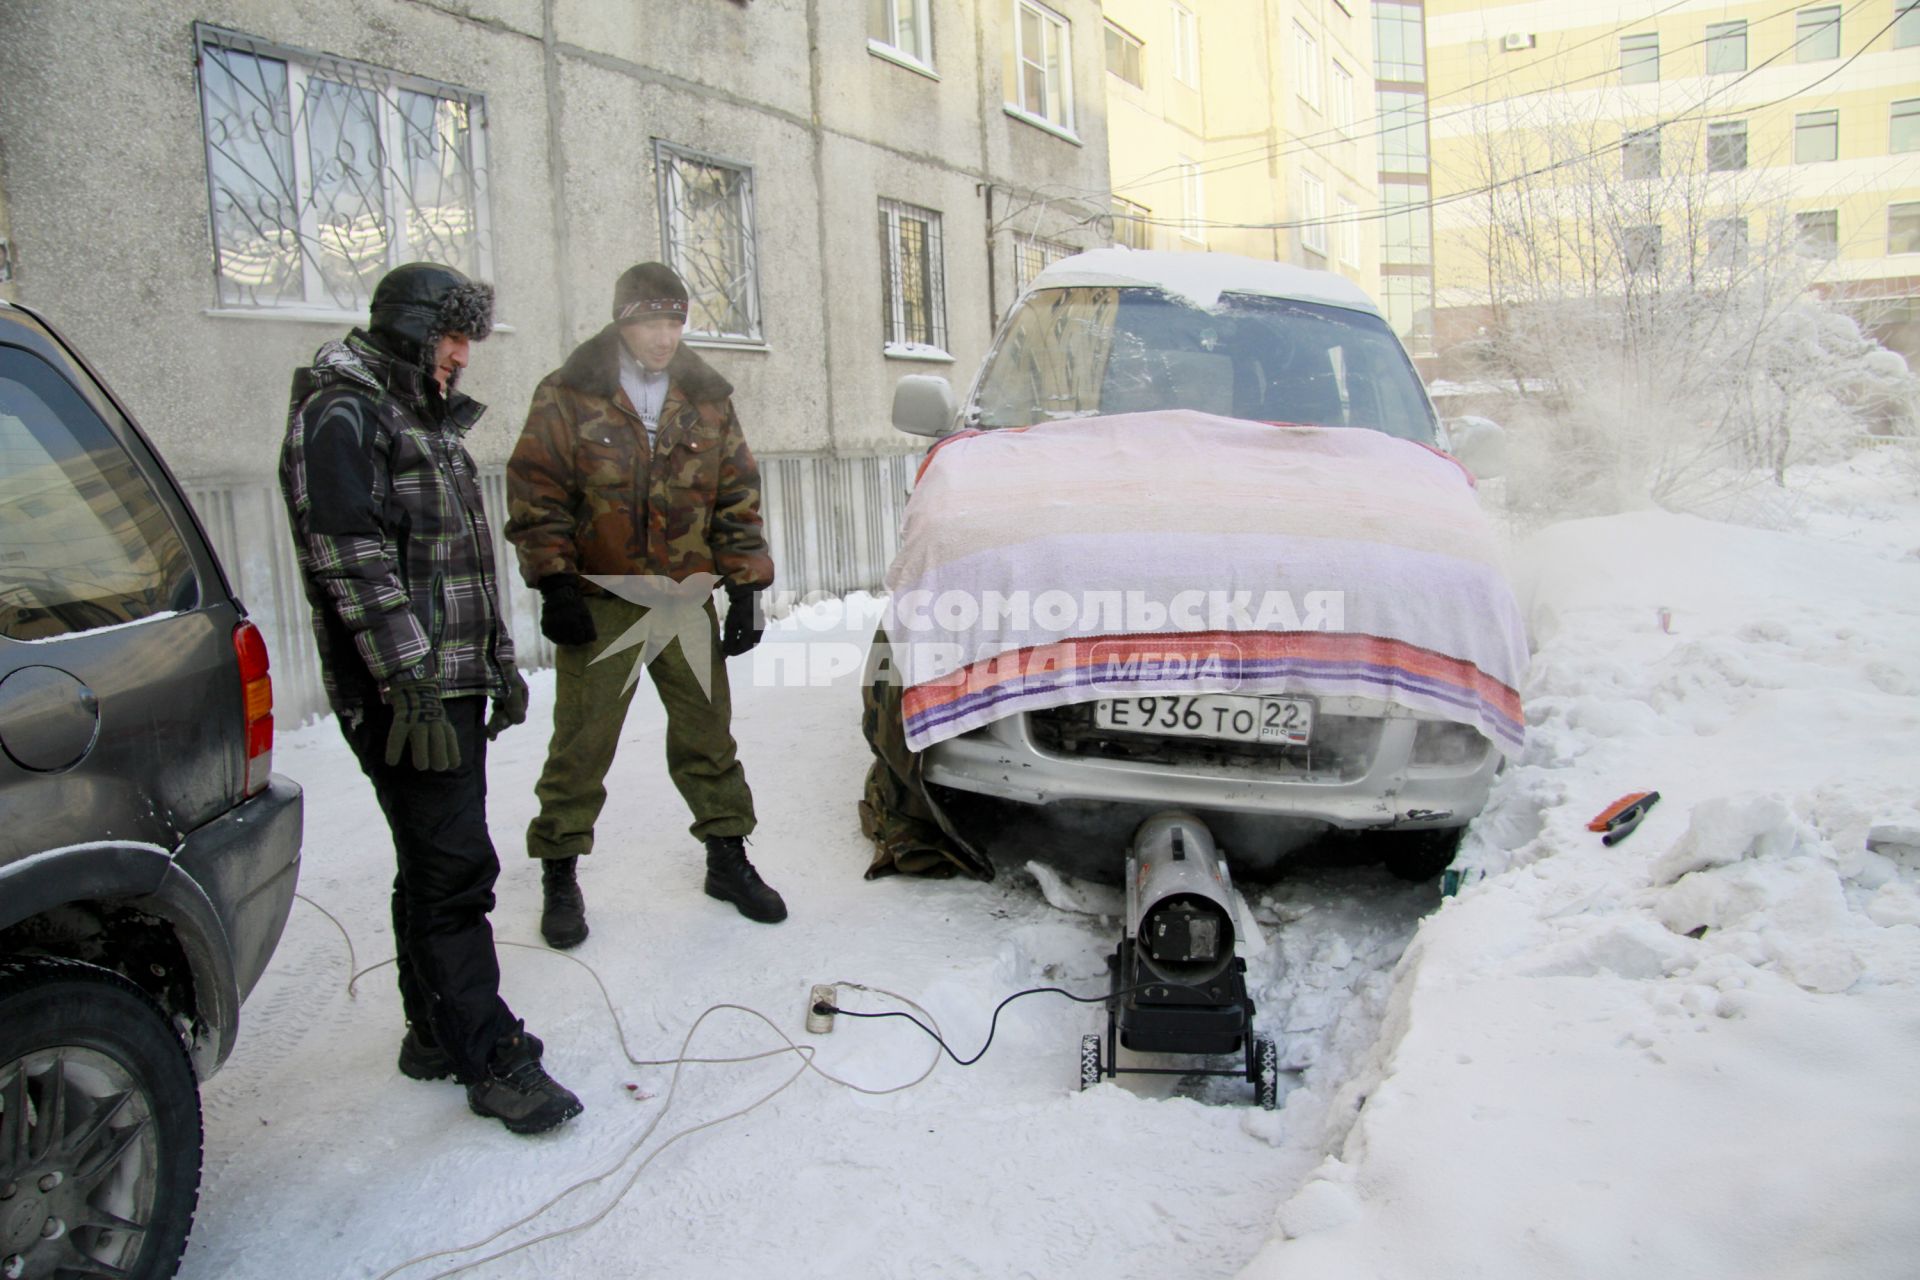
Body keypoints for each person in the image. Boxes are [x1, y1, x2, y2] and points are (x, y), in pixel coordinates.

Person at [279, 261, 583, 1134]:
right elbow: (350, 556)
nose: (463, 356)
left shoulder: (419, 414)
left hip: (439, 686)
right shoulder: (343, 412)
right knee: (456, 872)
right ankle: (491, 1059)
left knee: (430, 861)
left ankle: (431, 1032)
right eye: (454, 338)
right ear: (415, 329)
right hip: (400, 694)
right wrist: (411, 679)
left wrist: (494, 661)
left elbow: (456, 564)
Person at [506, 262, 782, 949]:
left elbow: (736, 494)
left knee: (707, 738)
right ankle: (560, 872)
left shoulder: (707, 397)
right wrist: (556, 583)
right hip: (603, 601)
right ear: (622, 321)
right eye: (650, 322)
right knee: (581, 745)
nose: (664, 337)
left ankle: (727, 859)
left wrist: (746, 585)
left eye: (675, 321)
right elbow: (537, 493)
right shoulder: (571, 393)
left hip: (686, 601)